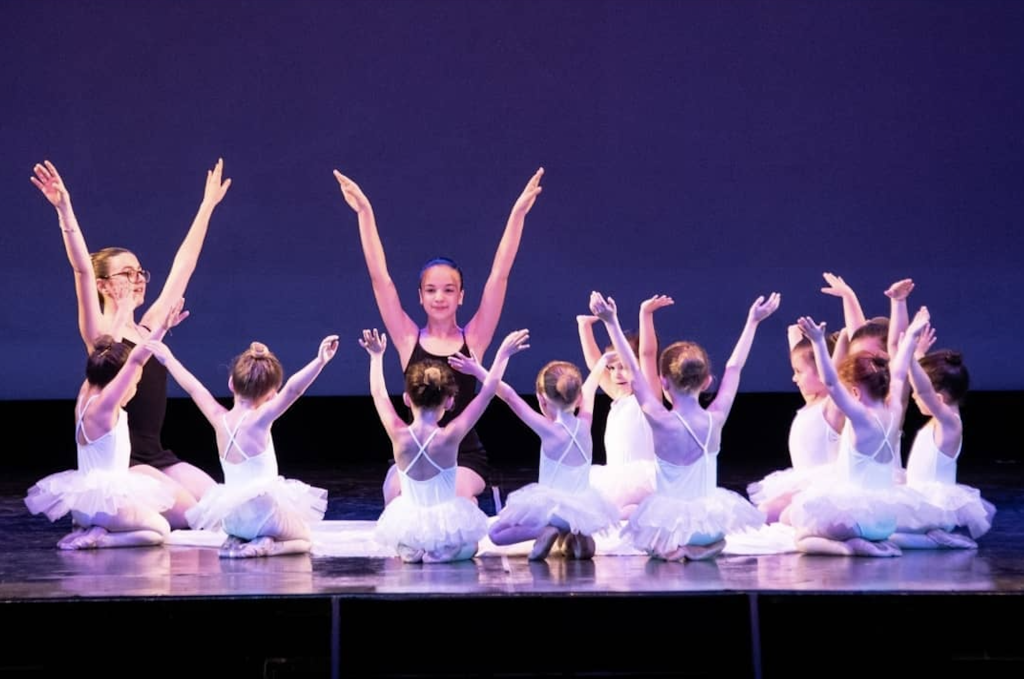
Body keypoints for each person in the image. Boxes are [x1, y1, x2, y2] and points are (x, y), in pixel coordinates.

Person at [31, 159, 232, 526]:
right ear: (103, 285)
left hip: (157, 455)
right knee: (195, 516)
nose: (138, 279)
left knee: (221, 507)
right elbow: (81, 268)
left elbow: (183, 267)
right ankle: (106, 524)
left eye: (140, 272)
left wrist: (207, 207)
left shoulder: (148, 329)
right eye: (127, 273)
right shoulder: (101, 332)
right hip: (125, 461)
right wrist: (64, 209)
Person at [334, 167, 544, 505]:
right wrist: (364, 212)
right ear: (420, 296)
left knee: (453, 499)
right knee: (395, 494)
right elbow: (380, 279)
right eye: (431, 290)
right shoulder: (407, 339)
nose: (439, 297)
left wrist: (517, 214)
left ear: (461, 296)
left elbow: (499, 276)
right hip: (416, 448)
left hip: (463, 454)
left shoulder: (474, 339)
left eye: (448, 289)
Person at [590, 290, 778, 561]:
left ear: (663, 382)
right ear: (707, 381)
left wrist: (611, 321)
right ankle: (708, 544)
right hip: (708, 525)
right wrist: (753, 321)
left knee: (640, 530)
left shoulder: (659, 419)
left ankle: (674, 550)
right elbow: (734, 368)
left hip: (668, 528)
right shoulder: (716, 417)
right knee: (710, 532)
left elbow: (633, 365)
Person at [147, 336, 338, 558]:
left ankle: (240, 538)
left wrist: (168, 359)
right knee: (305, 539)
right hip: (264, 517)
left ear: (231, 383)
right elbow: (294, 390)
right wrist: (320, 361)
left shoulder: (218, 419)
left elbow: (194, 389)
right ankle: (268, 546)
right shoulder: (260, 419)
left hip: (231, 520)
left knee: (259, 523)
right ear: (272, 394)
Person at [24, 299, 187, 549]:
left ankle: (95, 528)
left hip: (83, 507)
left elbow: (106, 351)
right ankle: (103, 539)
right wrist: (162, 328)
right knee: (160, 530)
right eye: (135, 383)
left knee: (144, 512)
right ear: (119, 381)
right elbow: (136, 360)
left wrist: (122, 314)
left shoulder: (85, 396)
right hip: (107, 505)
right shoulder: (106, 406)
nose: (134, 387)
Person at [361, 327, 530, 563]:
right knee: (472, 544)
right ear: (450, 402)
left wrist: (376, 356)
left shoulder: (398, 433)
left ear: (407, 398)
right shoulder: (450, 436)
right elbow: (488, 392)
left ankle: (411, 549)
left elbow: (379, 394)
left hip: (408, 519)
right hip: (445, 521)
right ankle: (443, 552)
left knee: (404, 532)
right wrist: (502, 355)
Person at [785, 307, 940, 557]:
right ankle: (914, 541)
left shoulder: (860, 418)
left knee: (801, 536)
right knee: (882, 534)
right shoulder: (894, 410)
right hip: (886, 522)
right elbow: (899, 372)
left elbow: (831, 382)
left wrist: (818, 342)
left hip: (856, 521)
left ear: (855, 392)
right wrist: (912, 334)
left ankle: (847, 548)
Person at [452, 354, 620, 560]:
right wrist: (602, 361)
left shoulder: (549, 430)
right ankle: (579, 538)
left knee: (496, 533)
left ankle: (545, 531)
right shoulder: (585, 424)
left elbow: (510, 396)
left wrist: (478, 370)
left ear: (541, 398)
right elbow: (591, 387)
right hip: (582, 513)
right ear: (579, 398)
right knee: (569, 535)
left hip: (552, 513)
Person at [889, 326, 996, 549]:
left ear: (938, 398)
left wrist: (910, 356)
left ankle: (933, 540)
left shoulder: (950, 423)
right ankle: (931, 537)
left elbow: (924, 390)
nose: (914, 396)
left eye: (916, 394)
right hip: (920, 505)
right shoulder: (942, 419)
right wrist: (919, 354)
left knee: (881, 533)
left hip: (932, 510)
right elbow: (926, 385)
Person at [578, 295, 668, 519]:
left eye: (624, 367)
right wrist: (584, 327)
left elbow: (647, 354)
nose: (617, 374)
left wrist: (645, 314)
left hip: (645, 483)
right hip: (616, 482)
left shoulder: (647, 399)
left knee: (633, 513)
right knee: (614, 513)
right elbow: (594, 363)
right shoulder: (618, 395)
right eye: (612, 368)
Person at [746, 330, 844, 523]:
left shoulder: (832, 406)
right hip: (802, 485)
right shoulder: (811, 401)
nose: (794, 378)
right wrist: (794, 335)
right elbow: (803, 358)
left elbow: (834, 376)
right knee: (763, 513)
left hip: (826, 487)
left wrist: (844, 338)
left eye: (798, 372)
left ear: (823, 371)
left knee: (767, 513)